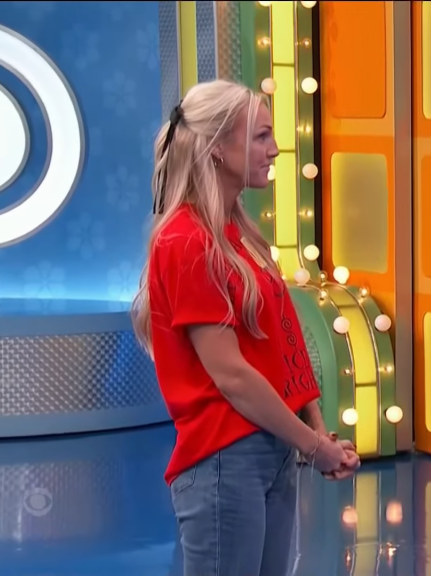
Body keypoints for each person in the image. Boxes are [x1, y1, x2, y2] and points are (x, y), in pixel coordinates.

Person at [131, 79, 360, 576]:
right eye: (260, 136)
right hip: (223, 460)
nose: (275, 149)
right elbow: (231, 375)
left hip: (272, 449)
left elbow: (282, 340)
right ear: (217, 149)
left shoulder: (241, 234)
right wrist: (313, 444)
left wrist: (316, 427)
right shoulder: (185, 241)